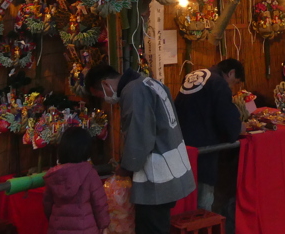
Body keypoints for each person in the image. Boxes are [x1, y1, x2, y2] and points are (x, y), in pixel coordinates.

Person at [87, 63, 195, 234]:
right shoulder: (148, 82)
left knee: (152, 228)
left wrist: (124, 169)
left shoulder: (134, 92)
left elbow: (139, 138)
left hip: (156, 178)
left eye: (100, 95)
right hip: (171, 169)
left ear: (105, 84)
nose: (105, 100)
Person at [174, 58, 244, 212]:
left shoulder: (193, 75)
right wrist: (237, 129)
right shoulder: (218, 83)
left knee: (185, 197)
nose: (232, 86)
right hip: (204, 146)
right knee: (203, 199)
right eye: (235, 82)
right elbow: (226, 117)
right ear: (231, 73)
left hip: (181, 144)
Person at [43, 125, 110, 234]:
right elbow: (99, 204)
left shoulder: (54, 175)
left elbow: (47, 205)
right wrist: (104, 226)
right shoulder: (89, 173)